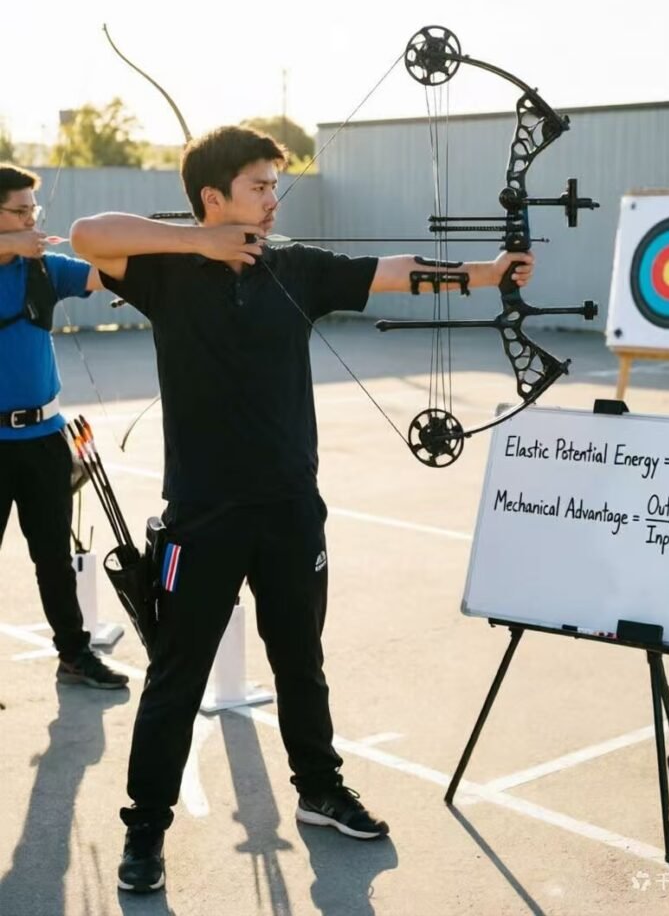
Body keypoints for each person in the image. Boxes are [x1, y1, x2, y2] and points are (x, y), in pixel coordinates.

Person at [70, 125, 535, 893]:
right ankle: (146, 828)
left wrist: (484, 274)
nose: (273, 197)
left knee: (300, 663)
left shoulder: (297, 268)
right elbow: (89, 233)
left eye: (274, 185)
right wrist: (202, 244)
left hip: (291, 509)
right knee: (177, 677)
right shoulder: (164, 272)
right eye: (258, 185)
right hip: (203, 514)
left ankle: (319, 789)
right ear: (212, 197)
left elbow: (391, 272)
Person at [0, 163, 129, 691]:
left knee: (53, 557)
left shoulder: (45, 269)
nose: (32, 220)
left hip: (43, 440)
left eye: (35, 210)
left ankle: (74, 655)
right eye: (20, 211)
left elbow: (107, 272)